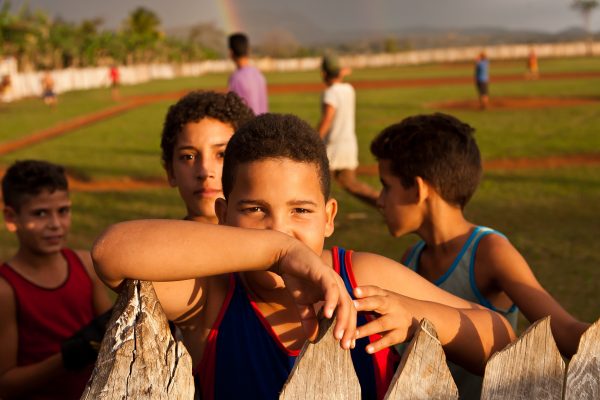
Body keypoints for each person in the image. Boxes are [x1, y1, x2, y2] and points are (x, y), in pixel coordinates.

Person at [92, 113, 515, 400]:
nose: (280, 227)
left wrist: (416, 315)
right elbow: (112, 252)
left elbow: (502, 338)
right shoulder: (215, 297)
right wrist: (280, 249)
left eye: (301, 211)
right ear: (223, 215)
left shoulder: (362, 277)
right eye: (255, 210)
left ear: (329, 218)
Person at [370, 113, 590, 399]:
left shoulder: (489, 251)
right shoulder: (410, 259)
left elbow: (563, 330)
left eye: (387, 186)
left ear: (419, 189)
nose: (379, 200)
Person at [0, 160, 113, 399]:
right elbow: (6, 383)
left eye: (63, 211)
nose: (55, 224)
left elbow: (109, 334)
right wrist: (66, 358)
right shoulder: (6, 288)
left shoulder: (85, 265)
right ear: (11, 218)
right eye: (40, 213)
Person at [161, 90, 254, 223]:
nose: (205, 172)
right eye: (188, 157)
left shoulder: (273, 240)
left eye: (222, 154)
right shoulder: (158, 242)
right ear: (170, 172)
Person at [317, 53, 380, 206]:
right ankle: (381, 202)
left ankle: (318, 217)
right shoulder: (349, 89)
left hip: (333, 147)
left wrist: (315, 138)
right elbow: (342, 75)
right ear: (340, 72)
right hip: (348, 145)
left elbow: (328, 119)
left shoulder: (330, 94)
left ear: (324, 74)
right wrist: (341, 71)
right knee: (350, 182)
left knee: (317, 183)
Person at [227, 32, 268, 115]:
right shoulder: (258, 75)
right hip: (262, 123)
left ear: (231, 53)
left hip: (247, 125)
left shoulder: (236, 78)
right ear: (248, 50)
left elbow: (235, 109)